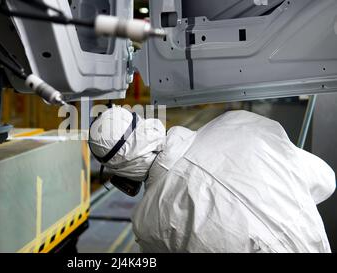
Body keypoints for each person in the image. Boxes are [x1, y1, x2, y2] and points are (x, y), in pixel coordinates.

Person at [88, 107, 336, 253]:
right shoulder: (237, 122)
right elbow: (326, 179)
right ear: (144, 123)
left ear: (119, 169)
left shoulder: (148, 225)